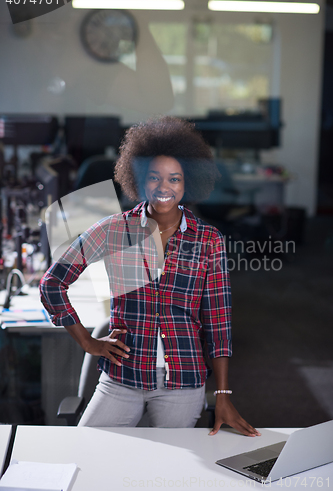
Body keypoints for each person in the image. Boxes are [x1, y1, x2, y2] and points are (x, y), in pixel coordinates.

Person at [39, 116, 260, 437]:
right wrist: (87, 342)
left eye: (175, 179)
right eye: (154, 177)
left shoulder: (208, 240)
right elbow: (52, 283)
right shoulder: (113, 230)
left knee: (169, 473)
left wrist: (223, 395)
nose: (164, 187)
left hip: (182, 383)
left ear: (188, 183)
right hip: (121, 378)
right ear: (140, 180)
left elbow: (218, 322)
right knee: (84, 451)